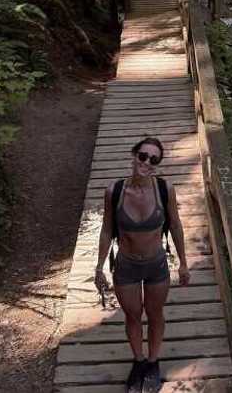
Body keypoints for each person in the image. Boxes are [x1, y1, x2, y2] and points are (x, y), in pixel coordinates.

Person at [94, 137, 189, 393]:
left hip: (156, 264)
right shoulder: (113, 191)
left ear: (157, 164)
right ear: (134, 155)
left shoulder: (164, 190)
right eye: (143, 156)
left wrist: (183, 263)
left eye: (154, 159)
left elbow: (176, 226)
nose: (146, 162)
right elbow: (106, 230)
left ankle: (153, 362)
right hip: (126, 266)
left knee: (155, 314)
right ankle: (138, 362)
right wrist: (99, 266)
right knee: (133, 316)